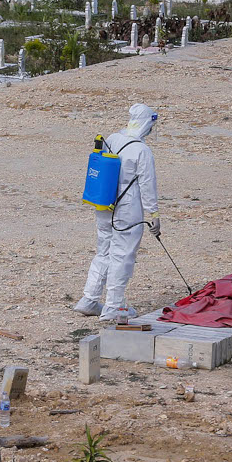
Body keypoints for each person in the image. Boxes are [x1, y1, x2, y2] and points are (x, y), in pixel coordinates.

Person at [75, 104, 160, 321]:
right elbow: (148, 185)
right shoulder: (142, 151)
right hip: (127, 210)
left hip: (104, 204)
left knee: (103, 251)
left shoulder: (113, 138)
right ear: (147, 124)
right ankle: (113, 306)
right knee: (122, 256)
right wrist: (154, 215)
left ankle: (89, 299)